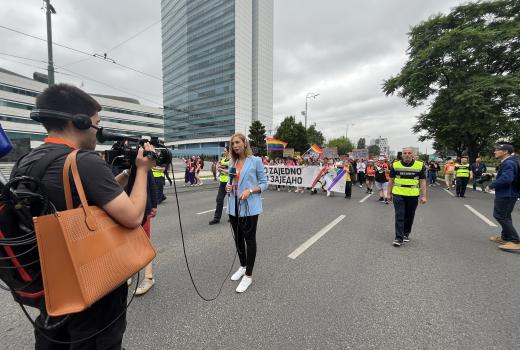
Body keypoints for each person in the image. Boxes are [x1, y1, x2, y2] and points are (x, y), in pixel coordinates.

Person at [15, 84, 155, 349]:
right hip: (93, 287)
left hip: (53, 286)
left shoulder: (27, 161)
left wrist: (124, 176)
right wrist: (143, 170)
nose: (98, 130)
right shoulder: (84, 161)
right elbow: (134, 216)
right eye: (96, 122)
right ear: (79, 122)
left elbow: (78, 199)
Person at [226, 133, 268, 293]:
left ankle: (248, 276)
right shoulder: (233, 163)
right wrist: (228, 187)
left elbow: (264, 184)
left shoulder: (255, 161)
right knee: (238, 239)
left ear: (244, 143)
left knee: (249, 240)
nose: (235, 146)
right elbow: (231, 184)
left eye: (237, 142)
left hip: (249, 207)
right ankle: (243, 266)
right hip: (233, 206)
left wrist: (250, 190)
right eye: (232, 143)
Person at [387, 147, 427, 247]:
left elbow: (422, 181)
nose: (407, 155)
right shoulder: (395, 165)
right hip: (398, 193)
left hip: (413, 194)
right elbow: (391, 180)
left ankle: (405, 233)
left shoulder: (420, 165)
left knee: (410, 216)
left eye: (409, 153)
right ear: (402, 155)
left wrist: (423, 196)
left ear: (412, 154)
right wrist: (388, 194)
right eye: (405, 153)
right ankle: (398, 238)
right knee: (400, 215)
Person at [487, 142, 520, 250]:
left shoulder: (509, 163)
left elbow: (507, 179)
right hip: (510, 193)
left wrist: (491, 186)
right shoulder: (511, 161)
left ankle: (515, 241)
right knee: (505, 216)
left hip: (507, 193)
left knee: (500, 216)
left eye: (497, 150)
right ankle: (505, 237)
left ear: (505, 151)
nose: (495, 151)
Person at [209, 147, 230, 225]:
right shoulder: (223, 159)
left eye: (225, 151)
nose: (223, 152)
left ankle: (232, 216)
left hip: (230, 182)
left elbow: (231, 171)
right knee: (219, 199)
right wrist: (219, 168)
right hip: (222, 182)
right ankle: (217, 218)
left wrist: (222, 169)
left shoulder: (232, 160)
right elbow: (218, 168)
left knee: (231, 200)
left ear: (229, 152)